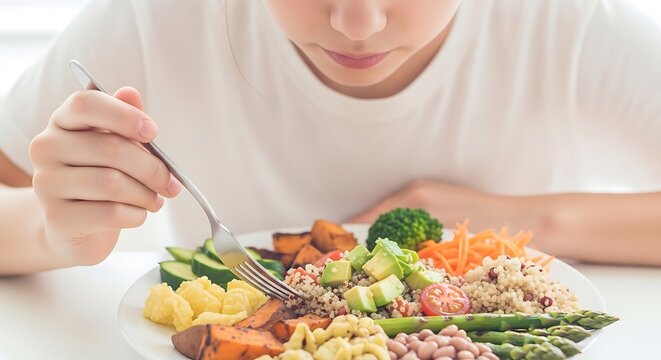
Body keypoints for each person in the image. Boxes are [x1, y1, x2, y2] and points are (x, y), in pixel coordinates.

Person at [1, 0, 660, 275]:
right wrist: (52, 233)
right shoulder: (159, 17)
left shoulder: (563, 22)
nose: (357, 24)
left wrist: (524, 221)